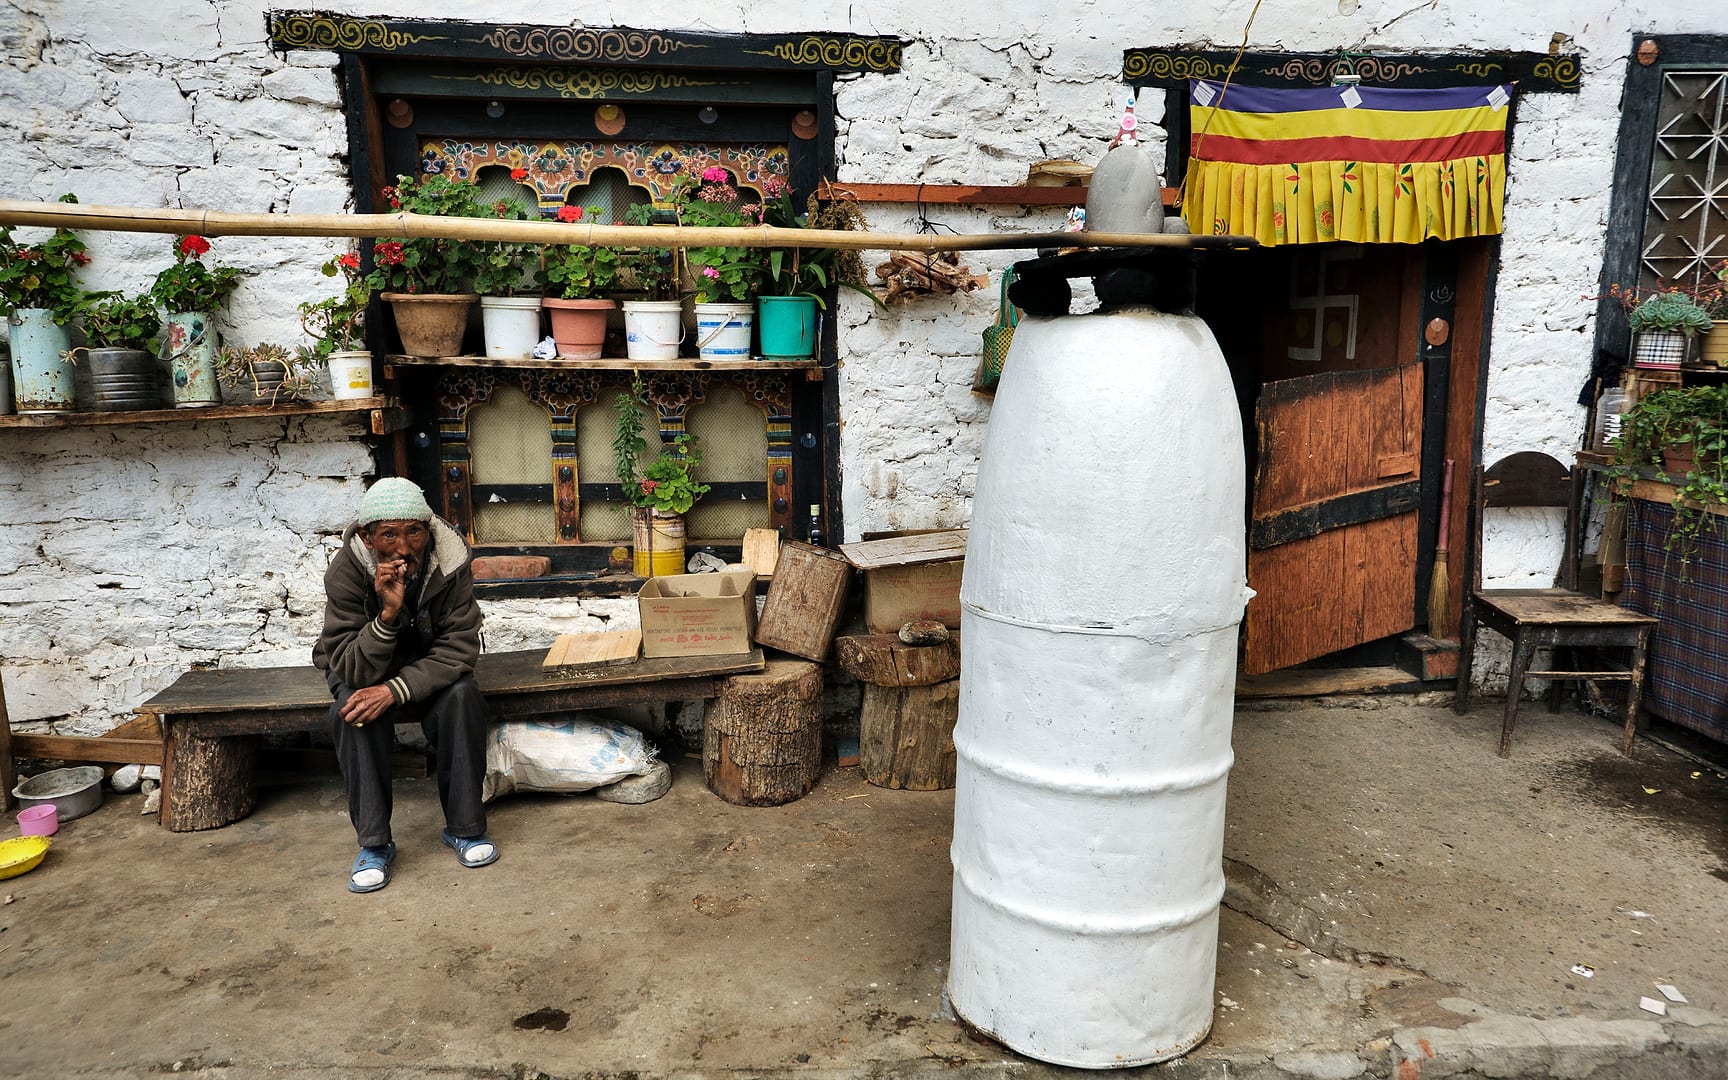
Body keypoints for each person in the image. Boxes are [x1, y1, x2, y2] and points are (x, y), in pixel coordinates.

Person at [313, 477, 497, 893]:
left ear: (428, 530)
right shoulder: (345, 572)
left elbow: (459, 649)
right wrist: (387, 616)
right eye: (389, 535)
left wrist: (395, 690)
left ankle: (465, 829)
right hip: (362, 665)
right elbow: (351, 669)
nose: (402, 547)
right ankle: (375, 845)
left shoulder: (449, 562)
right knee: (353, 712)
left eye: (414, 531)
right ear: (367, 536)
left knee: (462, 696)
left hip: (429, 664)